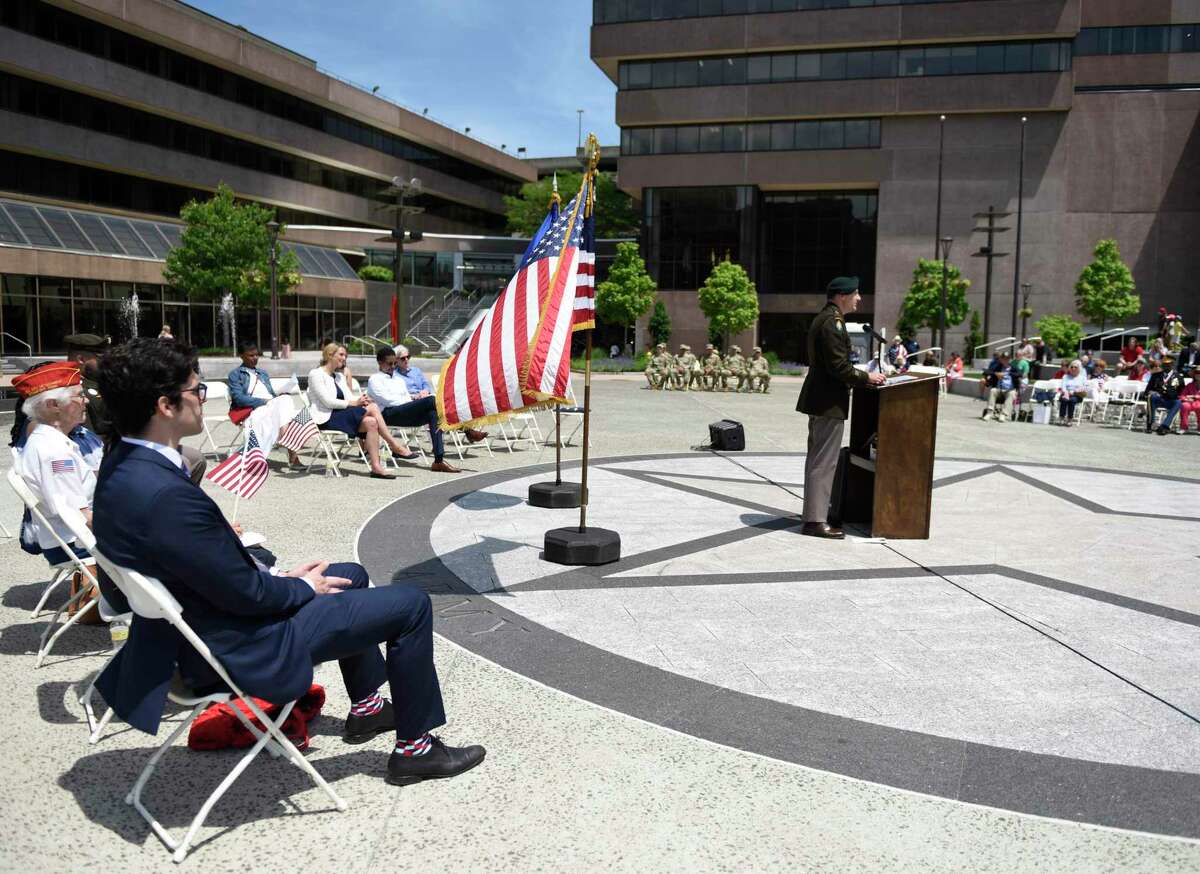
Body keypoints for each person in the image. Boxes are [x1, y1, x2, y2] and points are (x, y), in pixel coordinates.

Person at [91, 338, 485, 785]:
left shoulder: (122, 466)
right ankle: (416, 750)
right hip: (236, 644)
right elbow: (246, 594)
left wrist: (278, 575)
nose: (201, 400)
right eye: (196, 391)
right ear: (165, 405)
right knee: (412, 605)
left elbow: (204, 568)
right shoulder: (166, 495)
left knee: (351, 575)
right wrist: (298, 587)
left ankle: (368, 709)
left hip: (193, 629)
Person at [796, 276, 886, 539]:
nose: (859, 299)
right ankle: (814, 521)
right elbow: (838, 367)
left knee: (819, 459)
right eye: (856, 294)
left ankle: (814, 514)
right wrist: (866, 377)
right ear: (842, 295)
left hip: (822, 399)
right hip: (827, 401)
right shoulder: (832, 323)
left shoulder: (827, 319)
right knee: (823, 462)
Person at [65, 333, 207, 484]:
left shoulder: (103, 381)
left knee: (195, 458)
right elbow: (87, 434)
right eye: (100, 358)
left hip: (132, 443)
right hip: (108, 451)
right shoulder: (74, 388)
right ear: (81, 359)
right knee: (179, 462)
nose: (106, 362)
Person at [366, 347, 487, 473]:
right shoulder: (374, 379)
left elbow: (405, 398)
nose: (392, 366)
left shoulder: (398, 379)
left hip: (404, 412)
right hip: (388, 415)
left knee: (433, 414)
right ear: (380, 363)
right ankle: (467, 429)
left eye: (394, 363)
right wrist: (415, 404)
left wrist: (413, 404)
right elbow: (388, 401)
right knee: (431, 400)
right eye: (389, 363)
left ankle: (438, 461)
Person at [307, 343, 408, 479]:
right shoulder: (316, 374)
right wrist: (354, 403)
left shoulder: (339, 377)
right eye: (341, 355)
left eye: (345, 356)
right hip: (326, 418)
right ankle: (394, 445)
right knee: (373, 408)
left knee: (371, 422)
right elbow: (327, 402)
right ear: (330, 355)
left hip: (341, 415)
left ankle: (376, 467)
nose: (344, 358)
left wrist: (362, 399)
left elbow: (350, 397)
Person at [227, 341, 301, 466]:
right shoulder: (235, 375)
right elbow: (239, 399)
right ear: (241, 356)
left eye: (256, 355)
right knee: (283, 408)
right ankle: (291, 451)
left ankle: (284, 436)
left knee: (286, 398)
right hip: (253, 408)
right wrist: (263, 401)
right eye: (251, 355)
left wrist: (279, 394)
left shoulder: (262, 373)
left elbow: (270, 393)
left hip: (271, 404)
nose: (255, 358)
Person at [1145, 356, 1185, 435]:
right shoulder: (1155, 375)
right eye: (1164, 364)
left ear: (1172, 365)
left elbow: (1181, 392)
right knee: (1151, 397)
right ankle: (1150, 424)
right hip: (1159, 399)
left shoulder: (1178, 377)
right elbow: (1147, 390)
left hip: (1171, 400)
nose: (1166, 366)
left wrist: (1175, 396)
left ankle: (1165, 426)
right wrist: (1151, 392)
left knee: (1178, 402)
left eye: (1168, 364)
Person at [981, 352, 1021, 422]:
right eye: (1004, 359)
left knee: (1011, 393)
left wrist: (1008, 373)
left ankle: (1003, 414)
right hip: (999, 390)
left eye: (1007, 359)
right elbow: (985, 371)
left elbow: (1020, 374)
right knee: (993, 390)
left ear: (1009, 360)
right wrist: (996, 373)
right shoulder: (998, 367)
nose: (1005, 360)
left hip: (1009, 390)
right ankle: (989, 413)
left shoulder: (1013, 368)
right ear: (1001, 359)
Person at [1056, 359, 1088, 425]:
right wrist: (1066, 392)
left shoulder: (1082, 378)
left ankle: (1069, 419)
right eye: (1072, 367)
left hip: (1077, 394)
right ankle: (1061, 418)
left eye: (1075, 367)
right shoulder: (1065, 377)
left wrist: (1073, 392)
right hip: (1066, 393)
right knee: (1064, 400)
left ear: (1079, 368)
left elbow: (1084, 387)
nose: (1073, 368)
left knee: (1072, 400)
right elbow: (1063, 386)